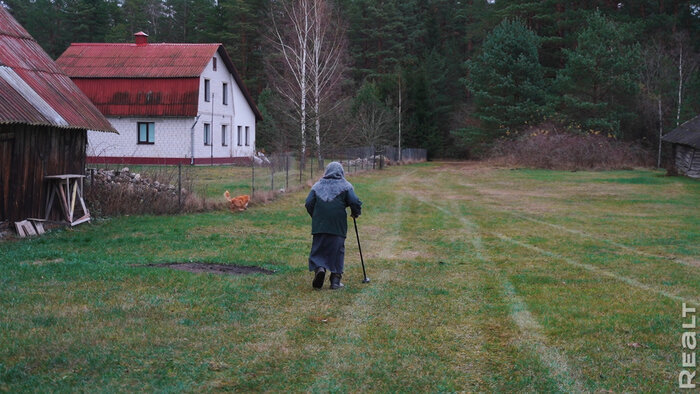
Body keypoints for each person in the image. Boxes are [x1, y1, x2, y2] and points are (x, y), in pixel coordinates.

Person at [305, 162, 362, 290]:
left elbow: (309, 203)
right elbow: (354, 201)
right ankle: (335, 281)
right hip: (337, 224)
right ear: (341, 172)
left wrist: (316, 216)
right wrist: (355, 212)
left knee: (319, 247)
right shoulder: (345, 186)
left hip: (320, 224)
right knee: (337, 249)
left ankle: (320, 268)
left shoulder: (317, 185)